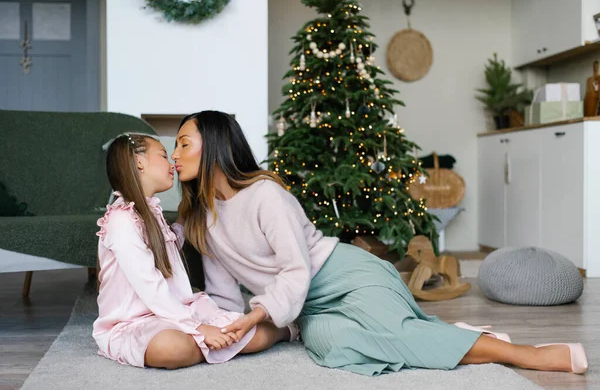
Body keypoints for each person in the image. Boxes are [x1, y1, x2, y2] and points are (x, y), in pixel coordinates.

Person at [171, 110, 587, 376]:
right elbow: (223, 294)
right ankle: (451, 338)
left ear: (217, 144)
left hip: (345, 276)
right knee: (330, 344)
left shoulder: (265, 195)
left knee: (392, 332)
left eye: (184, 143)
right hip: (306, 307)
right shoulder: (199, 221)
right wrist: (225, 325)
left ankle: (526, 354)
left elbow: (297, 269)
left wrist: (258, 314)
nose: (175, 153)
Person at [92, 133, 294, 370]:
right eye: (164, 155)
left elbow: (168, 250)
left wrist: (186, 217)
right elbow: (148, 283)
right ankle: (206, 343)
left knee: (251, 333)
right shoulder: (121, 220)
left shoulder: (151, 213)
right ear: (139, 161)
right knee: (173, 348)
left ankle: (284, 329)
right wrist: (198, 329)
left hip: (177, 309)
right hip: (135, 321)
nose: (172, 163)